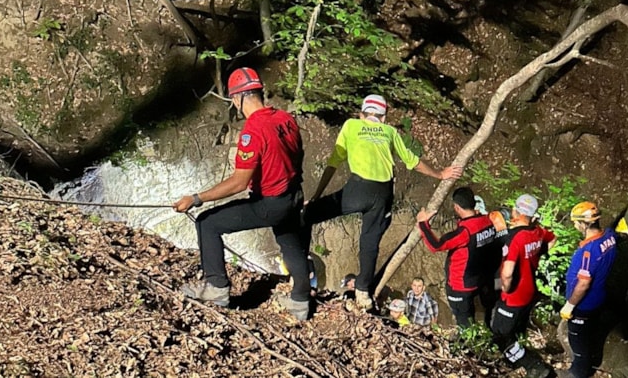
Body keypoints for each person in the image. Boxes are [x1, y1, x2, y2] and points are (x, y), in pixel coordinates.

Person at [173, 67, 311, 321]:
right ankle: (300, 302)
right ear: (259, 92)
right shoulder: (285, 119)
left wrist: (196, 199)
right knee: (290, 244)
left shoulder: (252, 131)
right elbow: (298, 155)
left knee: (208, 223)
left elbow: (238, 182)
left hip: (269, 202)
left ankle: (216, 287)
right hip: (293, 195)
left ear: (237, 99)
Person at [304, 94, 462, 310]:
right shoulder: (390, 131)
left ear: (362, 114)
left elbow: (334, 162)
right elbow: (412, 162)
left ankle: (301, 270)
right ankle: (363, 293)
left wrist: (315, 196)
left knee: (309, 215)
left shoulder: (351, 125)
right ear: (384, 118)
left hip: (357, 188)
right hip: (382, 192)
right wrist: (440, 174)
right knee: (369, 243)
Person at [490, 194, 556, 378]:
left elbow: (508, 272)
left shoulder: (514, 239)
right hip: (529, 292)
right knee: (517, 327)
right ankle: (512, 358)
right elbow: (553, 239)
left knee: (500, 336)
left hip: (514, 296)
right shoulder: (537, 232)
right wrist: (535, 256)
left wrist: (505, 288)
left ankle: (533, 365)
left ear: (515, 212)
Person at [416, 187, 496, 328]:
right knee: (475, 314)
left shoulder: (464, 232)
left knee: (463, 320)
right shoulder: (488, 222)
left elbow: (436, 245)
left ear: (457, 207)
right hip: (479, 281)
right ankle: (481, 335)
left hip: (460, 286)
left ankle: (466, 345)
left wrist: (423, 224)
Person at [560, 202, 617, 378]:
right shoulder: (609, 237)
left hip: (584, 305)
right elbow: (616, 234)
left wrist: (570, 305)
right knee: (590, 334)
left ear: (584, 224)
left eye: (576, 223)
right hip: (600, 298)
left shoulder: (588, 251)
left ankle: (578, 373)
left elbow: (583, 283)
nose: (575, 226)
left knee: (578, 342)